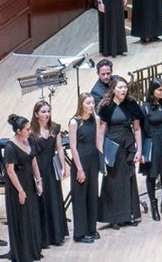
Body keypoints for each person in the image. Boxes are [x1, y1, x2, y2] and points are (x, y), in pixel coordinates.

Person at [97, 76, 144, 228]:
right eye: (120, 87)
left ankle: (129, 214)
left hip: (128, 144)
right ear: (113, 89)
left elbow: (136, 129)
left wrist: (139, 149)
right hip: (112, 146)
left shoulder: (131, 105)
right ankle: (114, 217)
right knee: (113, 182)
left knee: (128, 179)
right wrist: (101, 152)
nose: (123, 90)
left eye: (125, 87)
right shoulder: (106, 106)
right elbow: (101, 131)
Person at [3, 114, 42, 262]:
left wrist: (39, 180)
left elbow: (33, 161)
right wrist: (20, 191)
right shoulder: (10, 147)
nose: (30, 131)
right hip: (17, 187)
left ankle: (33, 250)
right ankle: (23, 253)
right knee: (22, 218)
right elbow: (10, 171)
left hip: (29, 183)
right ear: (18, 131)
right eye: (27, 129)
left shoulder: (29, 140)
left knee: (31, 216)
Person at [29, 100, 66, 247]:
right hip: (38, 168)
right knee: (42, 200)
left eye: (48, 111)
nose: (47, 114)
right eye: (43, 112)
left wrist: (63, 166)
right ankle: (44, 237)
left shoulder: (55, 128)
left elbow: (60, 148)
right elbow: (31, 154)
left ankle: (56, 235)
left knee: (54, 198)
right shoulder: (31, 131)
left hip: (51, 167)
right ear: (36, 114)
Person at [66, 94, 99, 242]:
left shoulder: (96, 119)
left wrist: (102, 160)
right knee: (80, 197)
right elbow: (73, 147)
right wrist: (79, 169)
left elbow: (97, 142)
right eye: (88, 103)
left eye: (92, 103)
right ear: (81, 105)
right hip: (81, 163)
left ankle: (92, 228)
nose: (91, 105)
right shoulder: (74, 122)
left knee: (92, 195)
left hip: (93, 161)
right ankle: (80, 233)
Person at [138, 80, 162, 223]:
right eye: (159, 90)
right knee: (152, 175)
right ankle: (154, 206)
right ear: (152, 91)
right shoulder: (144, 107)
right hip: (152, 142)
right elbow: (142, 130)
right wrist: (143, 152)